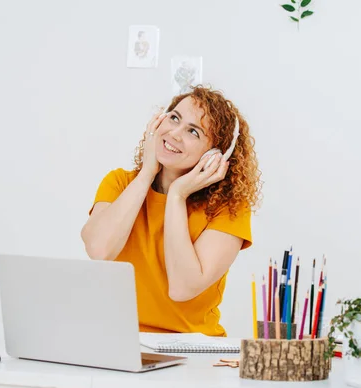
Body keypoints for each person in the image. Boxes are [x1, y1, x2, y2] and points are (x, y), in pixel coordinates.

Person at [81, 85, 262, 336]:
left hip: (193, 350)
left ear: (214, 156)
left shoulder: (229, 208)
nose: (174, 133)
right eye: (174, 118)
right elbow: (100, 250)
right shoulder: (120, 183)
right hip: (121, 339)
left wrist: (177, 195)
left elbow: (182, 288)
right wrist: (146, 173)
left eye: (193, 132)